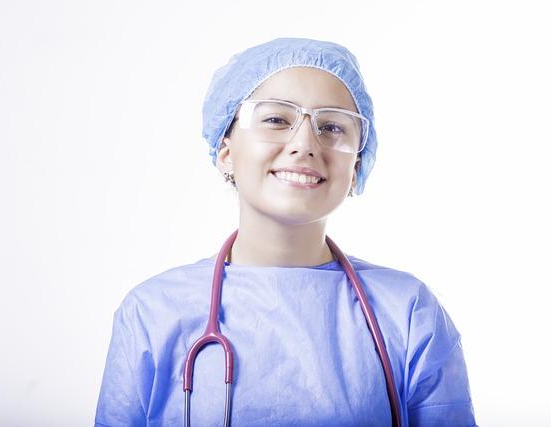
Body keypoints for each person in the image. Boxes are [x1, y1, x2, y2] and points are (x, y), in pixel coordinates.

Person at [94, 38, 477, 426]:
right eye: (276, 120)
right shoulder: (151, 311)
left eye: (331, 127)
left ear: (356, 168)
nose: (304, 145)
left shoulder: (409, 313)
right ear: (226, 152)